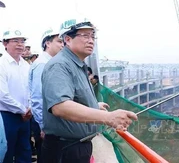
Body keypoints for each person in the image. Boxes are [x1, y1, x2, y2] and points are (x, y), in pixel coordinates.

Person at [41, 18, 138, 163]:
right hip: (65, 149)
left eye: (93, 36)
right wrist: (108, 117)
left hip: (77, 146)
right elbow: (60, 107)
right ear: (67, 39)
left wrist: (93, 106)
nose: (91, 40)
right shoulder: (60, 65)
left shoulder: (77, 65)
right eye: (85, 35)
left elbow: (73, 98)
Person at [28, 28, 64, 163]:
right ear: (47, 43)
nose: (62, 45)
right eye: (59, 41)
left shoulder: (50, 62)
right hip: (45, 124)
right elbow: (37, 98)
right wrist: (43, 126)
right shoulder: (42, 64)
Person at [0, 29, 32, 162]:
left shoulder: (26, 65)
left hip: (25, 117)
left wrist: (29, 108)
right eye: (16, 41)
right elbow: (2, 94)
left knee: (25, 150)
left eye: (22, 41)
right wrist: (23, 110)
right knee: (7, 151)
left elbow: (30, 89)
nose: (20, 44)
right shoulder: (1, 64)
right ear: (5, 43)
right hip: (7, 116)